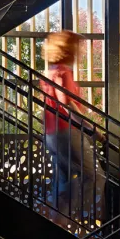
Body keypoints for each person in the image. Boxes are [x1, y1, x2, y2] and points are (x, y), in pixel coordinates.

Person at [40, 30, 105, 227]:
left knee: (65, 180)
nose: (81, 50)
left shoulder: (49, 73)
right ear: (68, 48)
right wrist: (94, 130)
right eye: (78, 46)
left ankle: (58, 223)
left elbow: (48, 109)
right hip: (67, 132)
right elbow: (68, 105)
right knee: (95, 176)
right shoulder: (63, 73)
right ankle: (76, 219)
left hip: (52, 134)